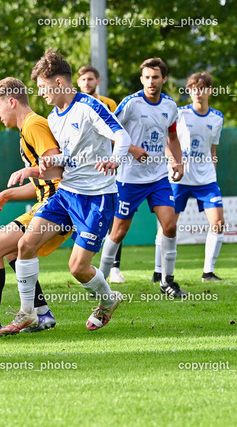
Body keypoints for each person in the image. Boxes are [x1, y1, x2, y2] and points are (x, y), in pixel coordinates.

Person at [13, 49, 131, 331]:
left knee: (78, 268)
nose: (41, 93)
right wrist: (48, 162)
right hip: (66, 195)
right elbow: (67, 157)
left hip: (97, 198)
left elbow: (121, 135)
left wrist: (115, 159)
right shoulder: (53, 117)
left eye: (42, 87)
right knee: (25, 245)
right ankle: (27, 312)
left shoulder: (89, 107)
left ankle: (108, 301)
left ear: (58, 82)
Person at [0, 77, 72, 339]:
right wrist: (8, 194)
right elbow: (43, 181)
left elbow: (56, 167)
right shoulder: (27, 129)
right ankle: (42, 313)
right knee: (11, 251)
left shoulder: (34, 125)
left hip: (56, 205)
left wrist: (29, 171)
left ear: (12, 102)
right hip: (51, 203)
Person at [98, 58, 188, 298]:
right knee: (118, 232)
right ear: (141, 79)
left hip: (159, 178)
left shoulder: (170, 105)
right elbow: (109, 131)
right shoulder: (131, 103)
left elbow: (172, 138)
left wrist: (178, 162)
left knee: (170, 225)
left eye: (155, 77)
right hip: (129, 179)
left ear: (164, 79)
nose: (151, 81)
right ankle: (100, 283)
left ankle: (167, 282)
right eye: (147, 77)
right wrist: (131, 149)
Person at [153, 72, 225, 282]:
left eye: (201, 89)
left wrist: (213, 175)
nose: (197, 93)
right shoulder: (180, 113)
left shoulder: (217, 118)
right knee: (168, 225)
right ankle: (158, 272)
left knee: (218, 223)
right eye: (193, 89)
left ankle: (208, 273)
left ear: (210, 91)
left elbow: (212, 151)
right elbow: (166, 141)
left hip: (206, 180)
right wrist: (174, 161)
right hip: (179, 178)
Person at [77, 65, 125, 284]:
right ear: (78, 82)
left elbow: (117, 133)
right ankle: (87, 266)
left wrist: (116, 156)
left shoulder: (109, 104)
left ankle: (114, 267)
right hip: (81, 173)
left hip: (106, 170)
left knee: (113, 219)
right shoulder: (74, 105)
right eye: (83, 79)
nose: (87, 83)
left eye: (90, 79)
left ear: (98, 81)